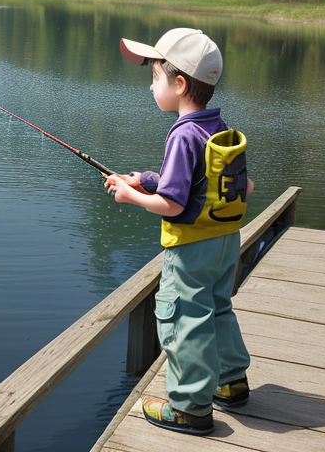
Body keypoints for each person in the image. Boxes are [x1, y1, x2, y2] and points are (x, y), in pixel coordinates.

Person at [105, 28, 253, 436]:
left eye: (155, 78)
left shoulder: (182, 134)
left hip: (191, 249)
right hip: (225, 243)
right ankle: (230, 381)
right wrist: (144, 179)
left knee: (184, 318)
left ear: (180, 84)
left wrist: (128, 196)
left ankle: (189, 407)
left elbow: (173, 204)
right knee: (218, 308)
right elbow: (238, 185)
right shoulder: (216, 126)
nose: (151, 86)